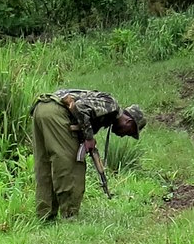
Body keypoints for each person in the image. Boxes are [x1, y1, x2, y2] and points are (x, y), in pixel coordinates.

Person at [28, 89, 144, 223]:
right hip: (56, 112)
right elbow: (80, 107)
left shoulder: (106, 112)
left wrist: (85, 136)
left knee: (44, 165)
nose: (124, 135)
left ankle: (45, 216)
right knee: (70, 164)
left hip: (41, 108)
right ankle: (69, 215)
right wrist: (89, 138)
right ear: (129, 122)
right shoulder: (111, 105)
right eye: (129, 132)